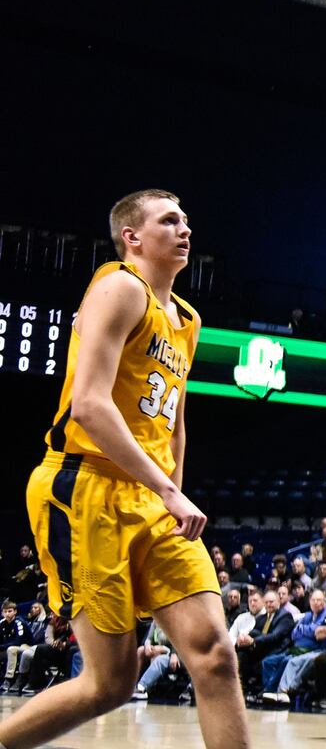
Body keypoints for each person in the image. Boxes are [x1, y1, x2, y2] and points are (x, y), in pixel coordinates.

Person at [2, 190, 248, 749]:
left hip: (150, 498)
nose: (185, 228)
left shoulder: (188, 319)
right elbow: (89, 403)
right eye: (168, 220)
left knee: (215, 654)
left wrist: (170, 494)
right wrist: (168, 489)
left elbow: (174, 424)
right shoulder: (118, 286)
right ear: (132, 237)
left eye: (186, 218)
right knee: (110, 684)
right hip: (82, 484)